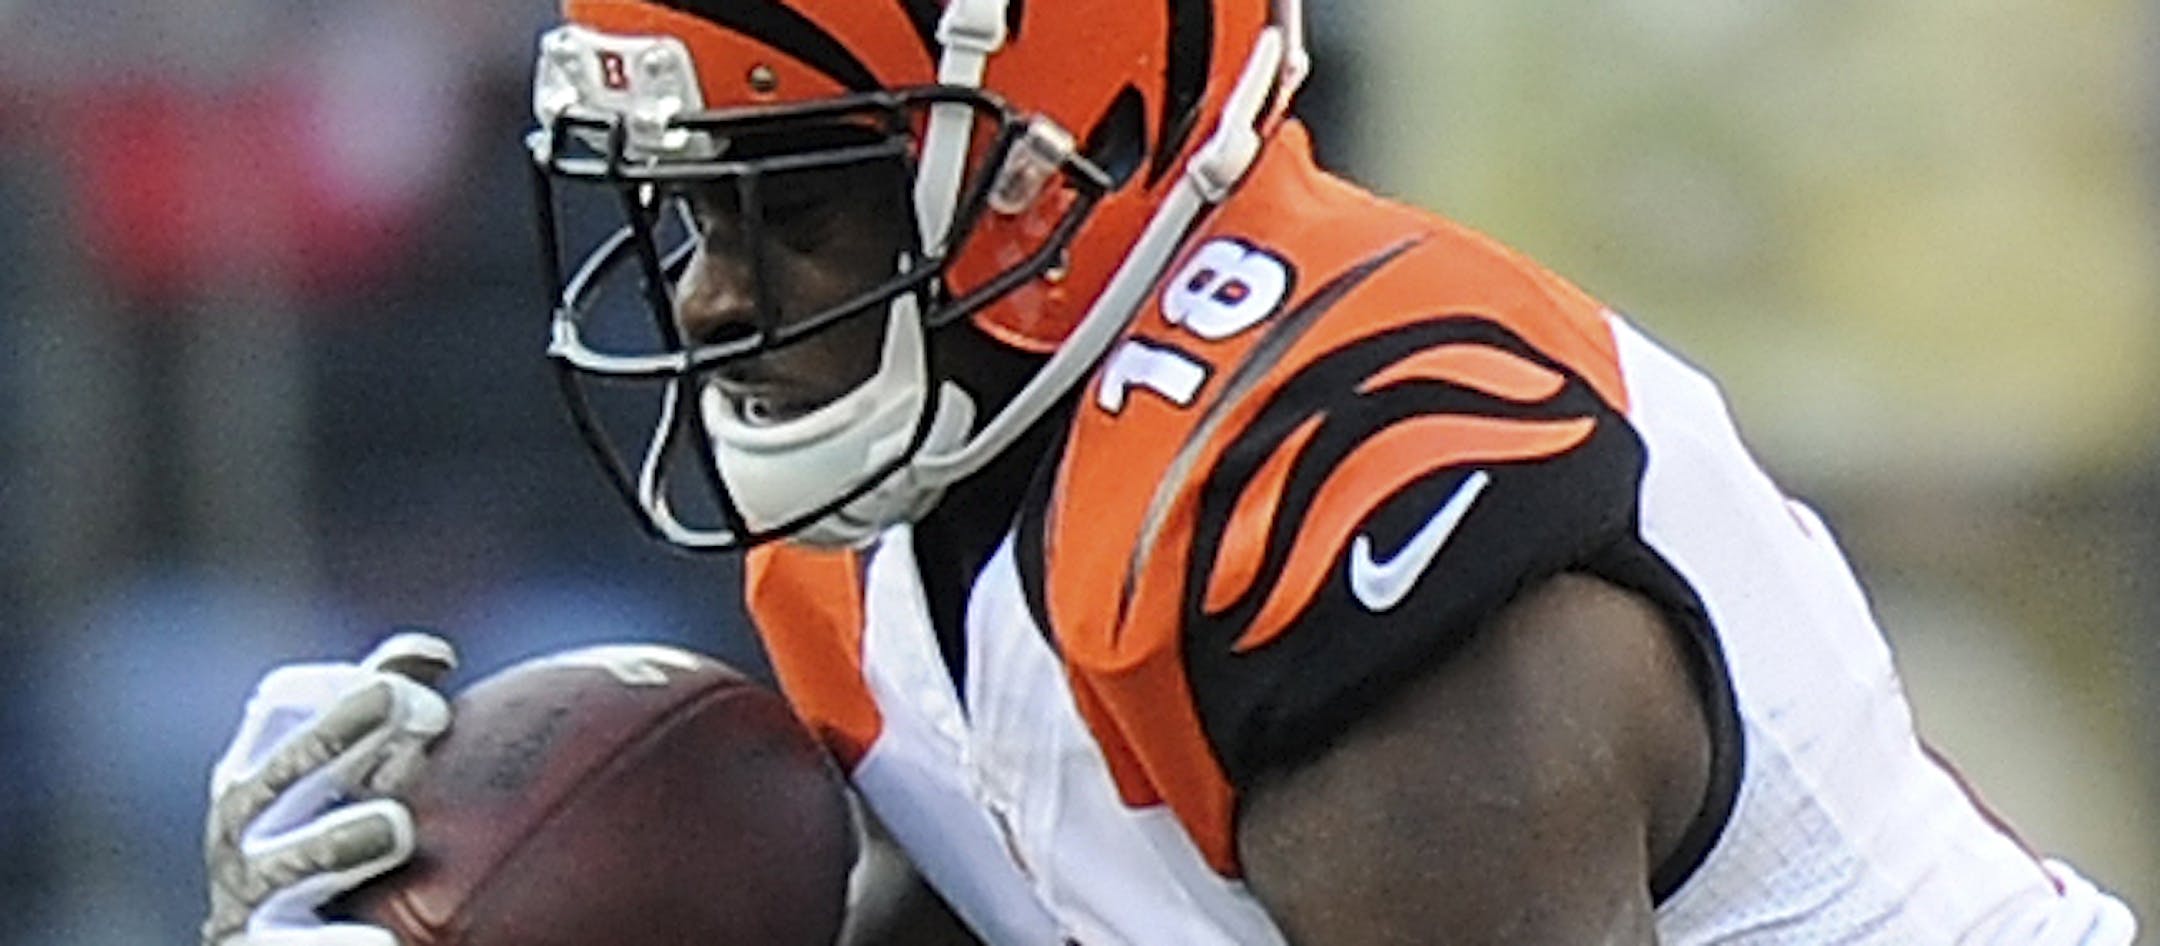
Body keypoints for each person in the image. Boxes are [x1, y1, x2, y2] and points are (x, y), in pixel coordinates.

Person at [200, 0, 2142, 943]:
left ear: (1046, 155)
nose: (710, 290)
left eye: (786, 204)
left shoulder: (1346, 485)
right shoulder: (891, 531)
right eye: (679, 205)